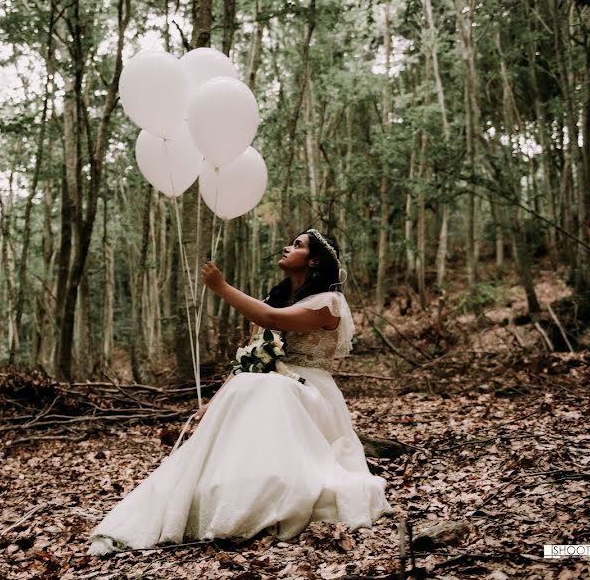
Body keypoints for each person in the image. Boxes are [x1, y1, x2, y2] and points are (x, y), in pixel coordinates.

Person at [88, 229, 392, 555]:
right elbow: (248, 361)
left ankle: (275, 493)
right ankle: (224, 494)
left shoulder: (327, 303)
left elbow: (273, 319)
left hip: (310, 390)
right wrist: (214, 403)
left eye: (298, 245)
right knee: (253, 386)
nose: (287, 247)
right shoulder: (272, 300)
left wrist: (222, 287)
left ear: (314, 260)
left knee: (268, 389)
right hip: (268, 382)